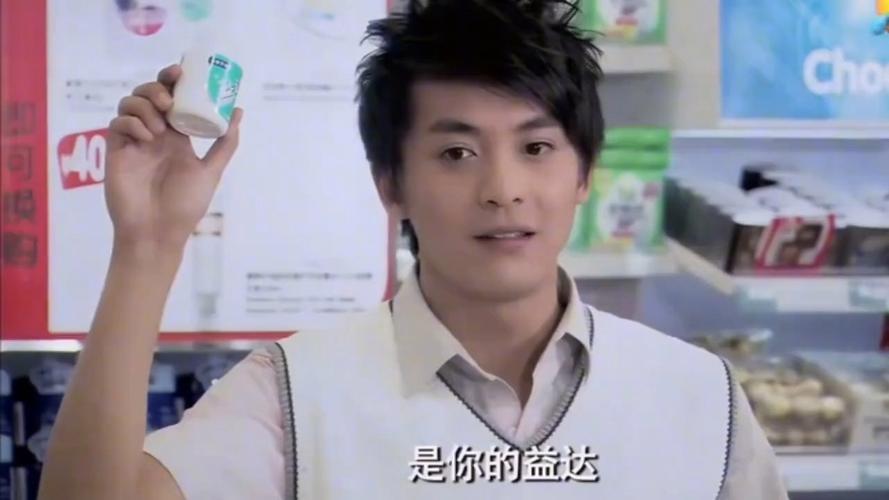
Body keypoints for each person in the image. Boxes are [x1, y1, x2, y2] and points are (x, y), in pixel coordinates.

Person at [39, 1, 788, 499]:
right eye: (457, 153)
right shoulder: (294, 393)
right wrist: (147, 245)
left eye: (535, 148)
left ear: (584, 173)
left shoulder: (699, 395)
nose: (503, 189)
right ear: (390, 183)